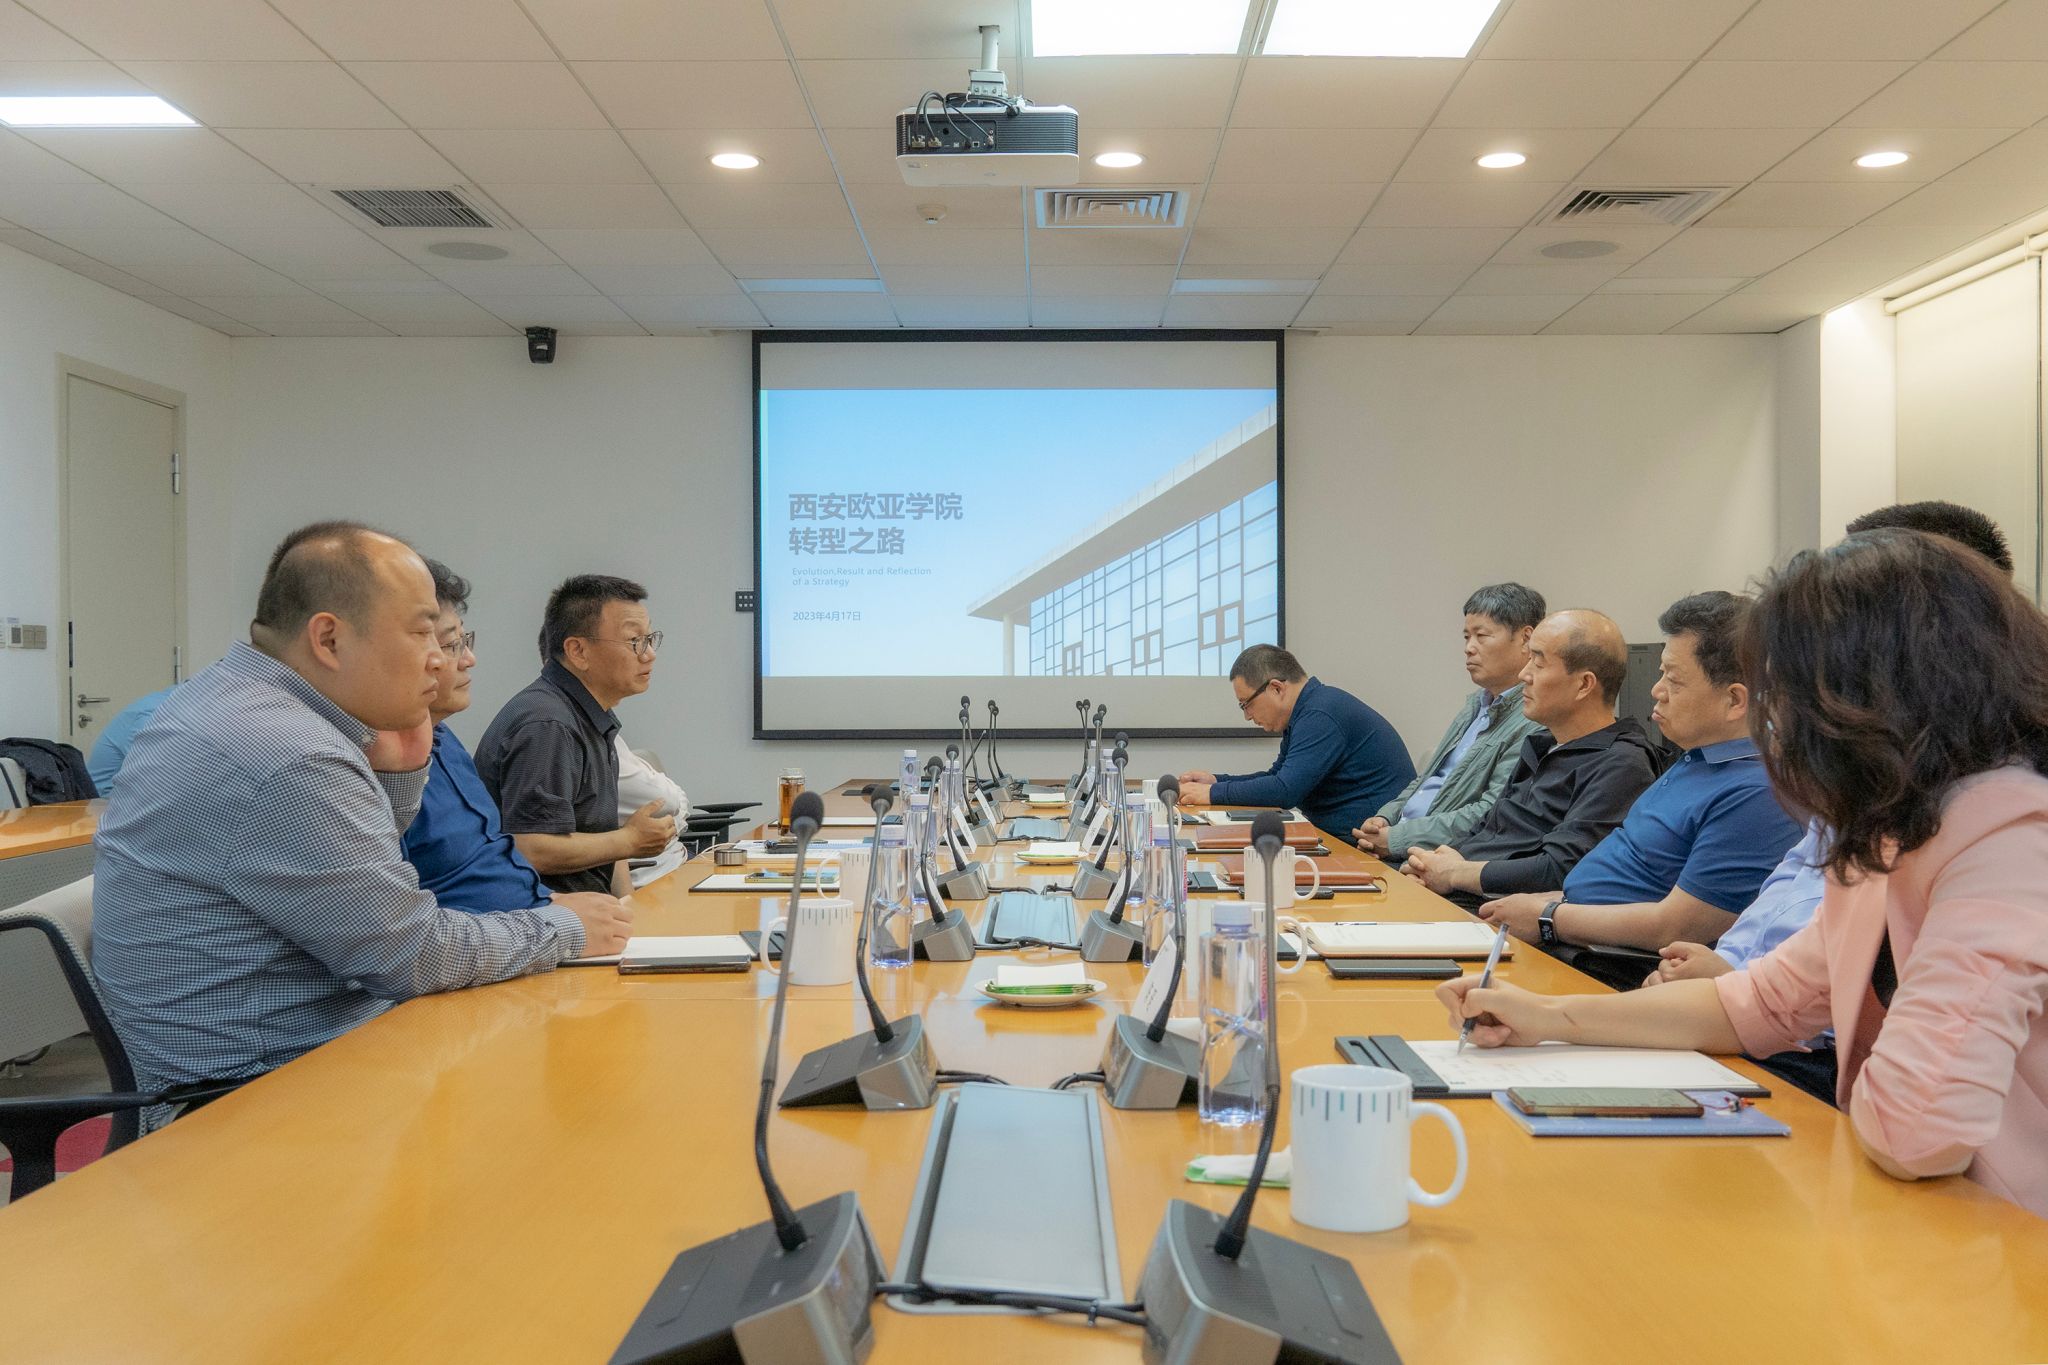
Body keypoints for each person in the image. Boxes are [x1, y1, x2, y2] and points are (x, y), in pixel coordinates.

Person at [1438, 530, 2048, 1217]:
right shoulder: (1890, 822)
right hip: (1913, 1202)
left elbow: (1916, 1132)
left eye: (1787, 693)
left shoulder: (2007, 834)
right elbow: (1760, 1002)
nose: (1776, 721)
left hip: (2000, 1231)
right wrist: (1548, 1017)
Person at [91, 522, 631, 1095]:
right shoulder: (290, 753)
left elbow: (365, 894)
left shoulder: (234, 698)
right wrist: (565, 928)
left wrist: (401, 774)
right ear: (328, 639)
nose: (439, 660)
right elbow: (409, 954)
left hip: (323, 1048)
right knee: (581, 1091)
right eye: (423, 634)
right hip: (256, 1095)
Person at [1646, 501, 2016, 1099]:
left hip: (1838, 1067)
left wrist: (1733, 984)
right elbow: (1799, 933)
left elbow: (1923, 1100)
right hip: (1788, 1031)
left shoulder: (2000, 814)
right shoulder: (1873, 774)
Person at [1472, 592, 1802, 961]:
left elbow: (1677, 927)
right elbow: (1624, 880)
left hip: (1607, 964)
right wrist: (1543, 904)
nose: (1656, 691)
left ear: (1735, 701)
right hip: (1570, 931)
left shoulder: (1757, 794)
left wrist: (1547, 917)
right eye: (1661, 673)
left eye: (1673, 680)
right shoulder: (1697, 760)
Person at [401, 559, 629, 921]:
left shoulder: (445, 741)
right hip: (508, 938)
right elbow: (410, 929)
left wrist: (559, 906)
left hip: (537, 921)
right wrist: (558, 921)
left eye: (464, 641)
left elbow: (500, 867)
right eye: (451, 644)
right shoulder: (546, 722)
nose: (469, 659)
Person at [1401, 610, 1662, 908]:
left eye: (1538, 663)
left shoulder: (1622, 764)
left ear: (1584, 685)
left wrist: (1455, 874)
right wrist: (1432, 866)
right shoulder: (1542, 743)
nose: (1524, 675)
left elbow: (1562, 869)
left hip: (1500, 913)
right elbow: (1486, 829)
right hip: (1457, 896)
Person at [476, 574, 674, 896]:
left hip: (593, 911)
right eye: (634, 641)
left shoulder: (588, 714)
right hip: (544, 916)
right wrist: (629, 840)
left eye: (650, 638)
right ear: (578, 651)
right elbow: (531, 847)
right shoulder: (548, 724)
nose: (649, 653)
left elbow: (607, 842)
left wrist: (631, 912)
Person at [1355, 583, 1546, 863]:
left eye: (1481, 636)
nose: (1469, 648)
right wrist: (1385, 818)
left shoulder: (1534, 720)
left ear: (1526, 639)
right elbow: (1426, 780)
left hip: (1433, 858)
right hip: (1402, 846)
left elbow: (1491, 811)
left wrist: (1396, 839)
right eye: (1467, 637)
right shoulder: (1476, 705)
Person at [1176, 644, 1413, 839]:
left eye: (1246, 704)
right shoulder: (1309, 710)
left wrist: (1213, 792)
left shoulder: (1321, 715)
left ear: (1276, 688)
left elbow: (1284, 791)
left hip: (1367, 845)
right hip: (1340, 836)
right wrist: (1217, 781)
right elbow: (1277, 777)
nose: (1247, 716)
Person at [85, 684, 177, 799]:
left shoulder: (170, 703)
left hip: (132, 793)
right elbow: (158, 774)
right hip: (104, 800)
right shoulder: (153, 714)